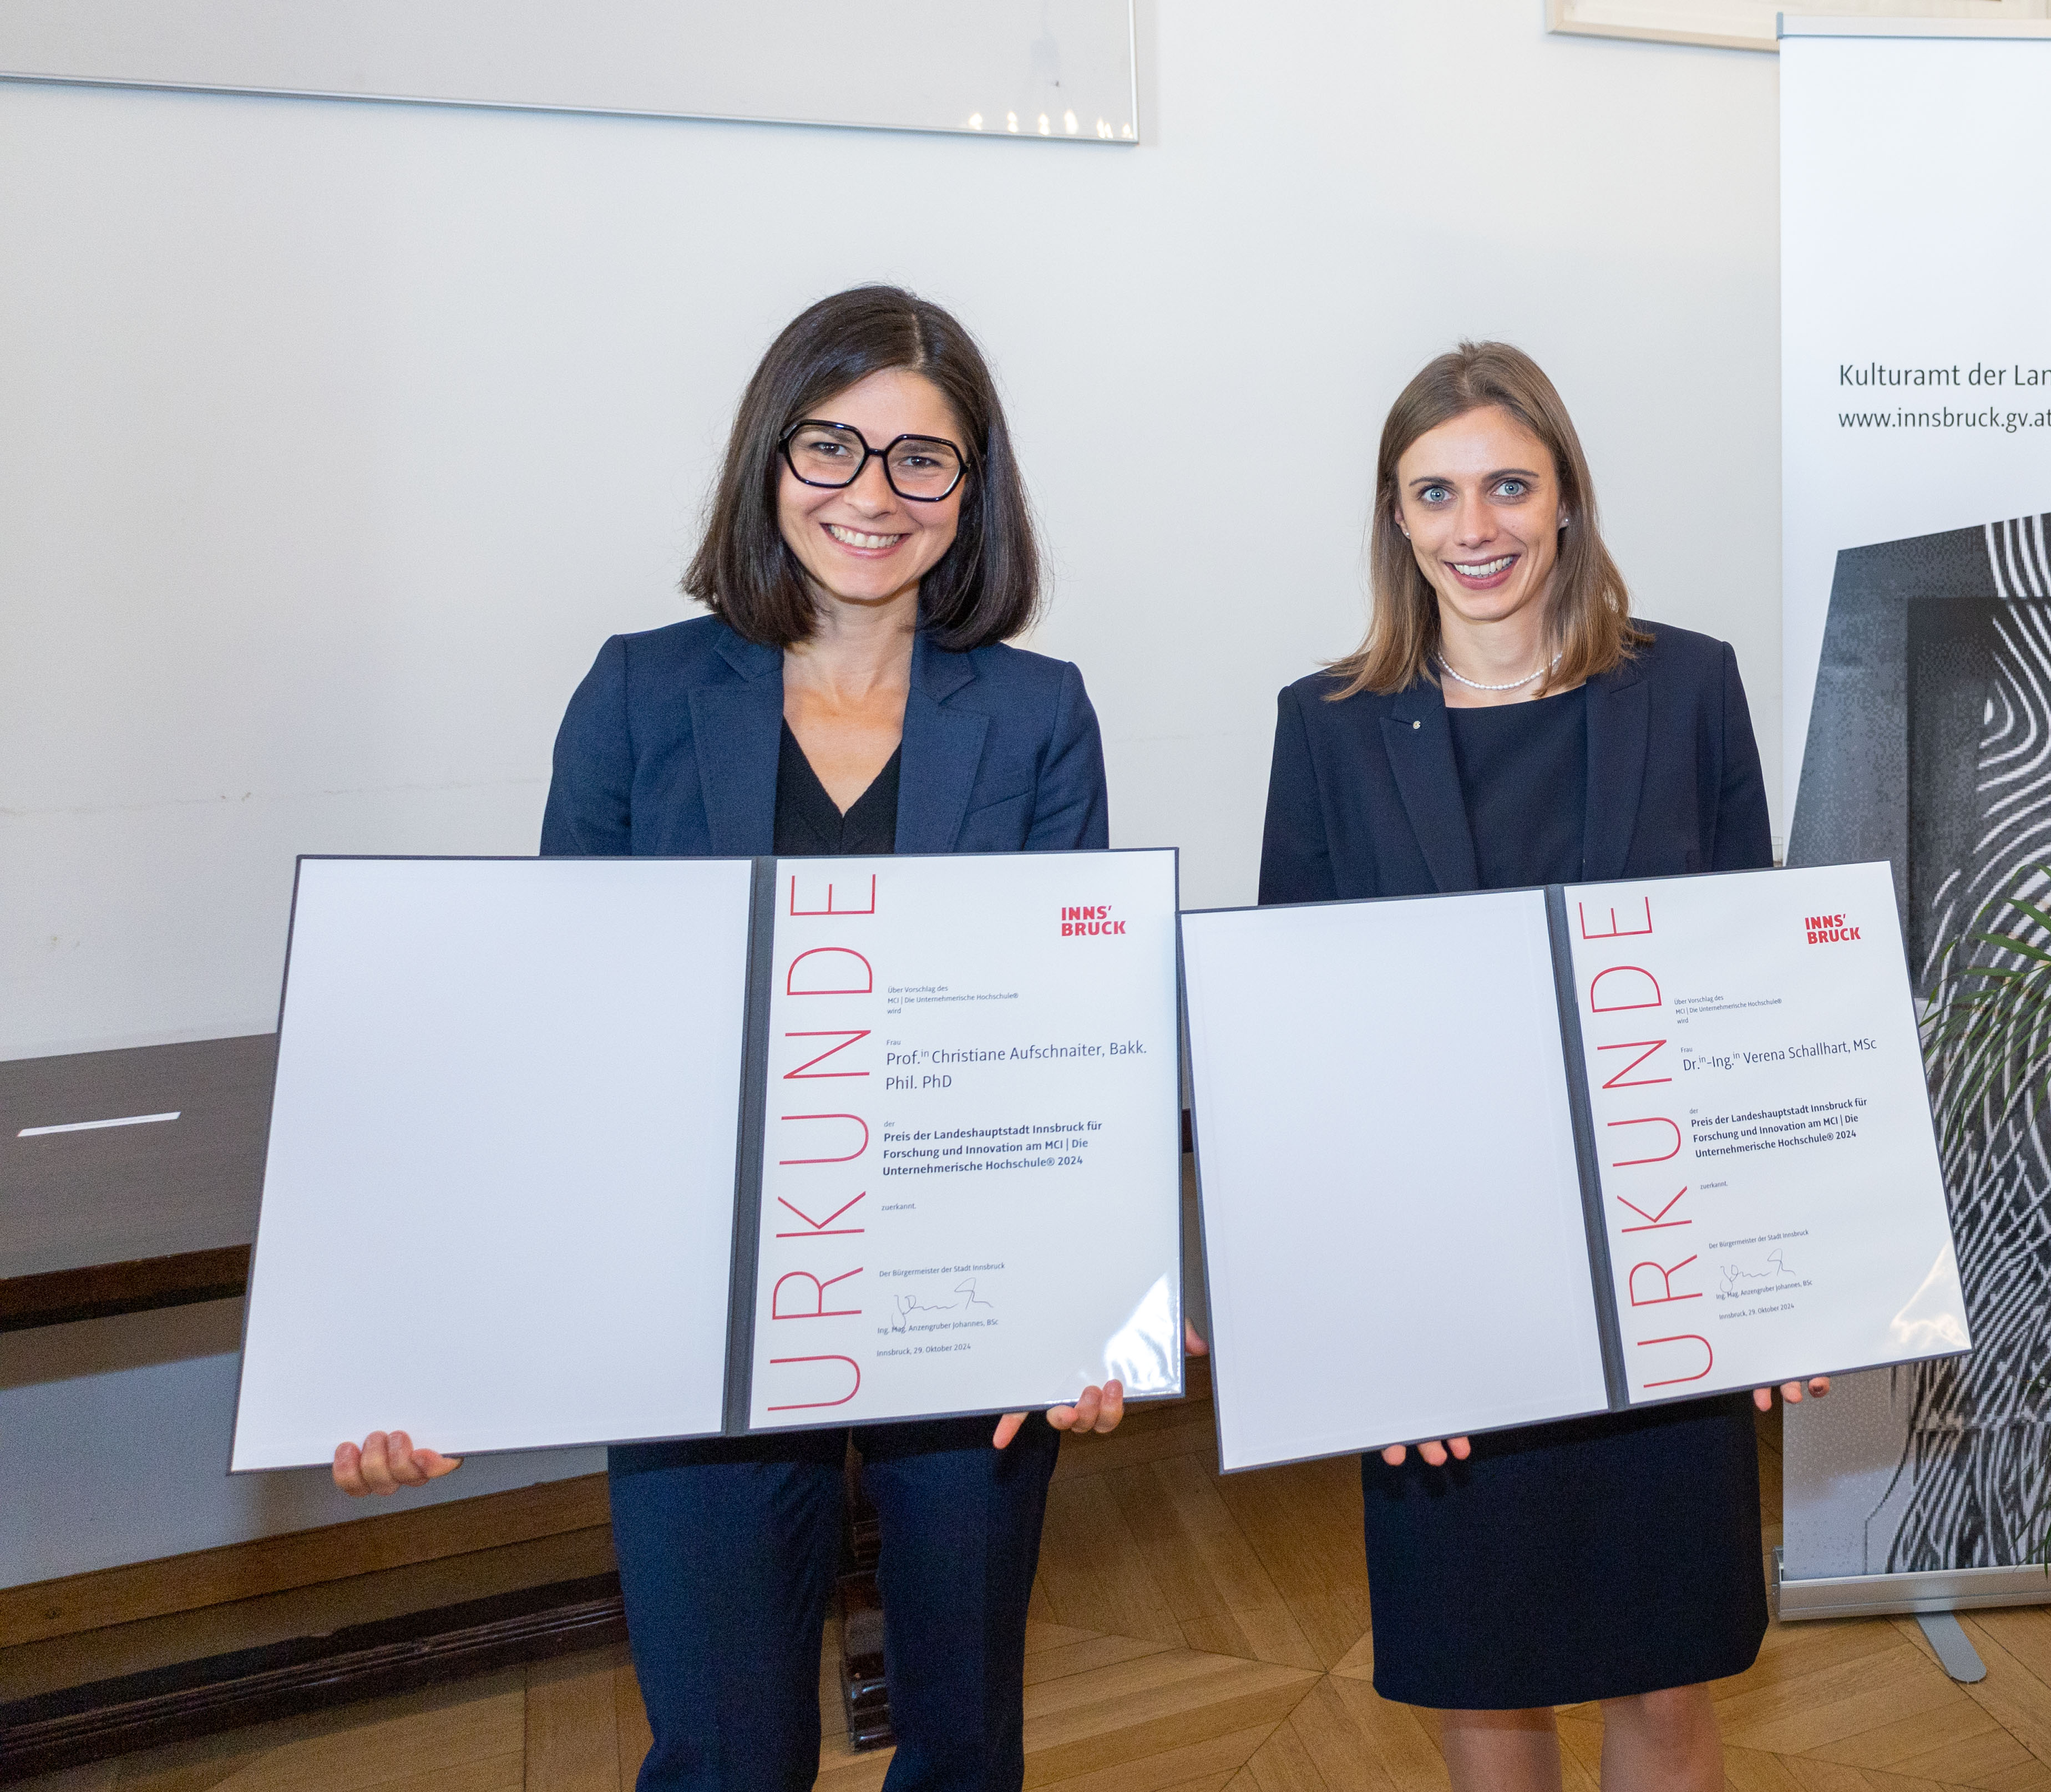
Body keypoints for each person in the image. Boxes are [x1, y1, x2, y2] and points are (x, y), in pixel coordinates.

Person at [330, 286, 1172, 1792]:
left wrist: (1095, 1312)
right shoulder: (641, 694)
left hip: (957, 1309)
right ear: (768, 458)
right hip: (688, 1302)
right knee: (721, 1754)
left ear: (972, 495)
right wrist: (427, 1348)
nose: (870, 495)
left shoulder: (1040, 716)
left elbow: (1071, 1044)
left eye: (923, 461)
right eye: (830, 446)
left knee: (967, 1744)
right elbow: (550, 1045)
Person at [1257, 342, 1831, 1792]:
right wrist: (1369, 1344)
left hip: (1656, 1280)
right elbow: (1298, 1060)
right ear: (1394, 520)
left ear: (1566, 497)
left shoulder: (1686, 690)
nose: (1477, 526)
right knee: (1485, 1681)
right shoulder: (1320, 731)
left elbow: (1741, 998)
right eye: (1435, 493)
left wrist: (1775, 1286)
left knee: (1664, 1680)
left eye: (1509, 485)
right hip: (1441, 1296)